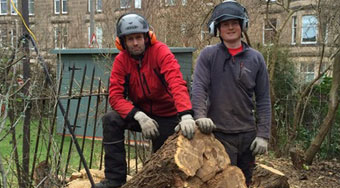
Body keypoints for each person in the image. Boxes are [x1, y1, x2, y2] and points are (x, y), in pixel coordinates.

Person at [95, 13, 196, 188]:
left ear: (147, 37)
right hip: (141, 114)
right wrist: (138, 116)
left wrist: (186, 114)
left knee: (161, 165)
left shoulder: (160, 52)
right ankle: (115, 179)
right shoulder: (121, 61)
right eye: (130, 39)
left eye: (139, 37)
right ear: (123, 42)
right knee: (110, 120)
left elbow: (176, 82)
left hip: (167, 115)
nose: (135, 43)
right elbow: (115, 96)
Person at [191, 0, 272, 186]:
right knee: (218, 182)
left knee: (244, 181)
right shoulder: (209, 55)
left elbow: (264, 99)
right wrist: (200, 116)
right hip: (218, 133)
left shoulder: (256, 58)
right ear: (217, 29)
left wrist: (263, 135)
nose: (230, 27)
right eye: (225, 24)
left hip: (247, 135)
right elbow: (199, 87)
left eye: (234, 23)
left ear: (242, 26)